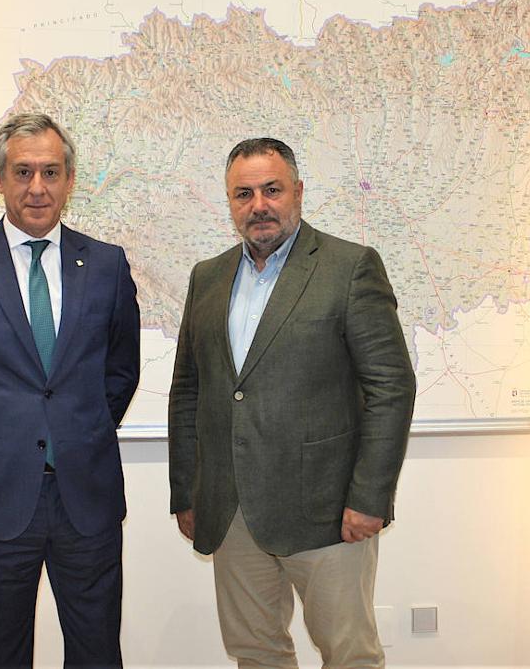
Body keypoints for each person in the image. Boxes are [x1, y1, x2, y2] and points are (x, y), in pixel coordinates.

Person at [168, 137, 416, 668]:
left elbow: (391, 387)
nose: (259, 205)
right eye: (244, 193)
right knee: (255, 653)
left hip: (328, 511)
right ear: (230, 202)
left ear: (298, 192)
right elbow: (188, 388)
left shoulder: (349, 267)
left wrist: (370, 497)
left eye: (272, 190)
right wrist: (187, 492)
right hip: (231, 511)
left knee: (349, 653)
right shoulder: (206, 278)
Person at [0, 112, 140, 668]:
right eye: (22, 172)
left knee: (97, 654)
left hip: (85, 496)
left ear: (69, 179)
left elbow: (121, 371)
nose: (37, 187)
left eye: (51, 172)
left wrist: (77, 431)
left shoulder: (106, 265)